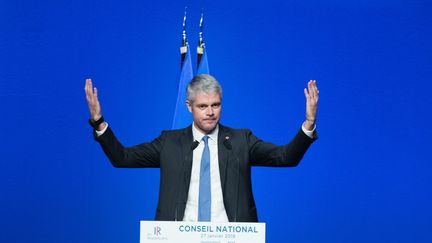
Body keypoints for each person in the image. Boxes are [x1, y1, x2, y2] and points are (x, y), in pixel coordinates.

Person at [84, 74, 319, 222]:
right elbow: (122, 158)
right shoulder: (169, 142)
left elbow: (285, 157)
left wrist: (308, 124)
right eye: (203, 106)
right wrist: (99, 122)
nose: (210, 112)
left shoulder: (241, 140)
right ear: (189, 107)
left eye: (216, 105)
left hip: (232, 238)